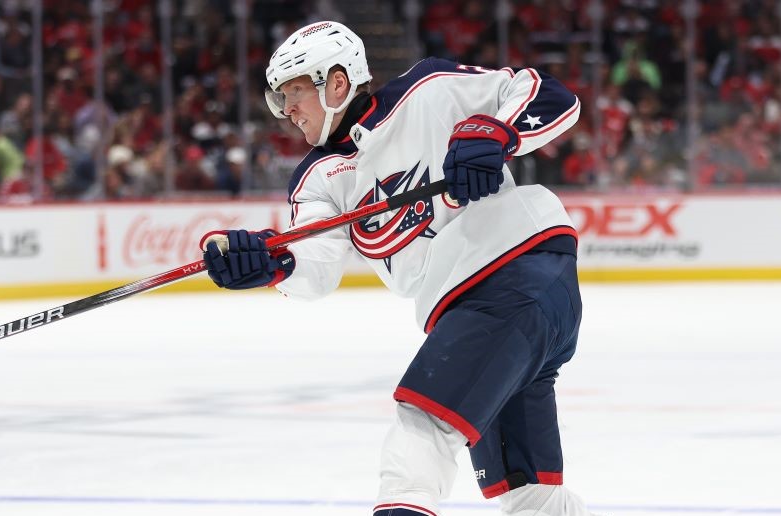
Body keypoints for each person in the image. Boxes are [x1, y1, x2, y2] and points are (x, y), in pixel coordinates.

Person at [199, 21, 593, 516]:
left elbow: (547, 94)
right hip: (504, 304)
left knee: (419, 437)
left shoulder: (427, 91)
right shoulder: (319, 178)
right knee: (532, 496)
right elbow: (314, 264)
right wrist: (267, 260)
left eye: (293, 93)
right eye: (279, 100)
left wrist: (495, 131)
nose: (286, 111)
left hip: (511, 272)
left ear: (336, 82)